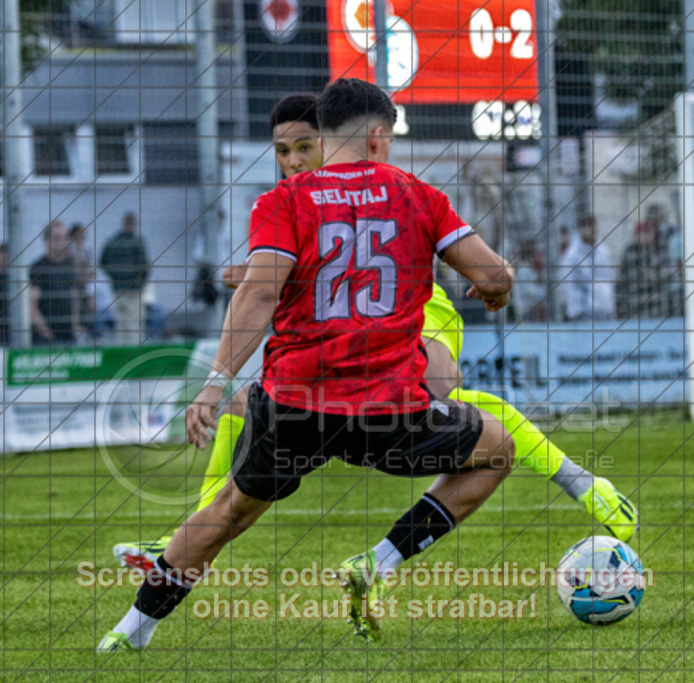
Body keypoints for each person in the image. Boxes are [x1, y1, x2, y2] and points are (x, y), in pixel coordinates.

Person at [97, 81, 637, 652]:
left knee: (231, 510)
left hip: (296, 401)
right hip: (389, 409)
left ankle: (130, 633)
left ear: (323, 134)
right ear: (379, 135)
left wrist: (213, 386)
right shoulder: (418, 196)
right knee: (496, 450)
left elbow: (256, 295)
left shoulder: (283, 201)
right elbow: (495, 274)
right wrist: (496, 290)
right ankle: (377, 560)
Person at [99, 212, 149, 345]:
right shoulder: (137, 242)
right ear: (133, 224)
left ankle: (122, 355)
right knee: (134, 325)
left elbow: (102, 262)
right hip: (134, 290)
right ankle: (134, 356)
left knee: (121, 324)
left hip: (118, 288)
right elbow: (145, 266)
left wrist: (115, 276)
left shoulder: (112, 242)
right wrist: (140, 282)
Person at [29, 220, 80, 345]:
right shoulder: (38, 268)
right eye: (56, 238)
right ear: (46, 240)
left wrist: (76, 325)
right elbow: (32, 306)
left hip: (69, 334)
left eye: (63, 238)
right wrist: (45, 331)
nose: (60, 242)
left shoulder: (71, 265)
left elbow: (75, 299)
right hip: (45, 338)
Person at [558, 214, 615, 321]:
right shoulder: (571, 256)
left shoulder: (604, 252)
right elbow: (568, 286)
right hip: (582, 314)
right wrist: (578, 310)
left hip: (604, 312)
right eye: (586, 226)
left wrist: (609, 306)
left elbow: (609, 281)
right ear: (580, 229)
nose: (590, 230)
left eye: (592, 225)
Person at [617, 217, 675, 319]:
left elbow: (666, 275)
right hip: (635, 307)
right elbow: (623, 281)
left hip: (657, 308)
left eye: (648, 233)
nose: (646, 236)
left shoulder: (658, 252)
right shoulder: (629, 254)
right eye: (642, 233)